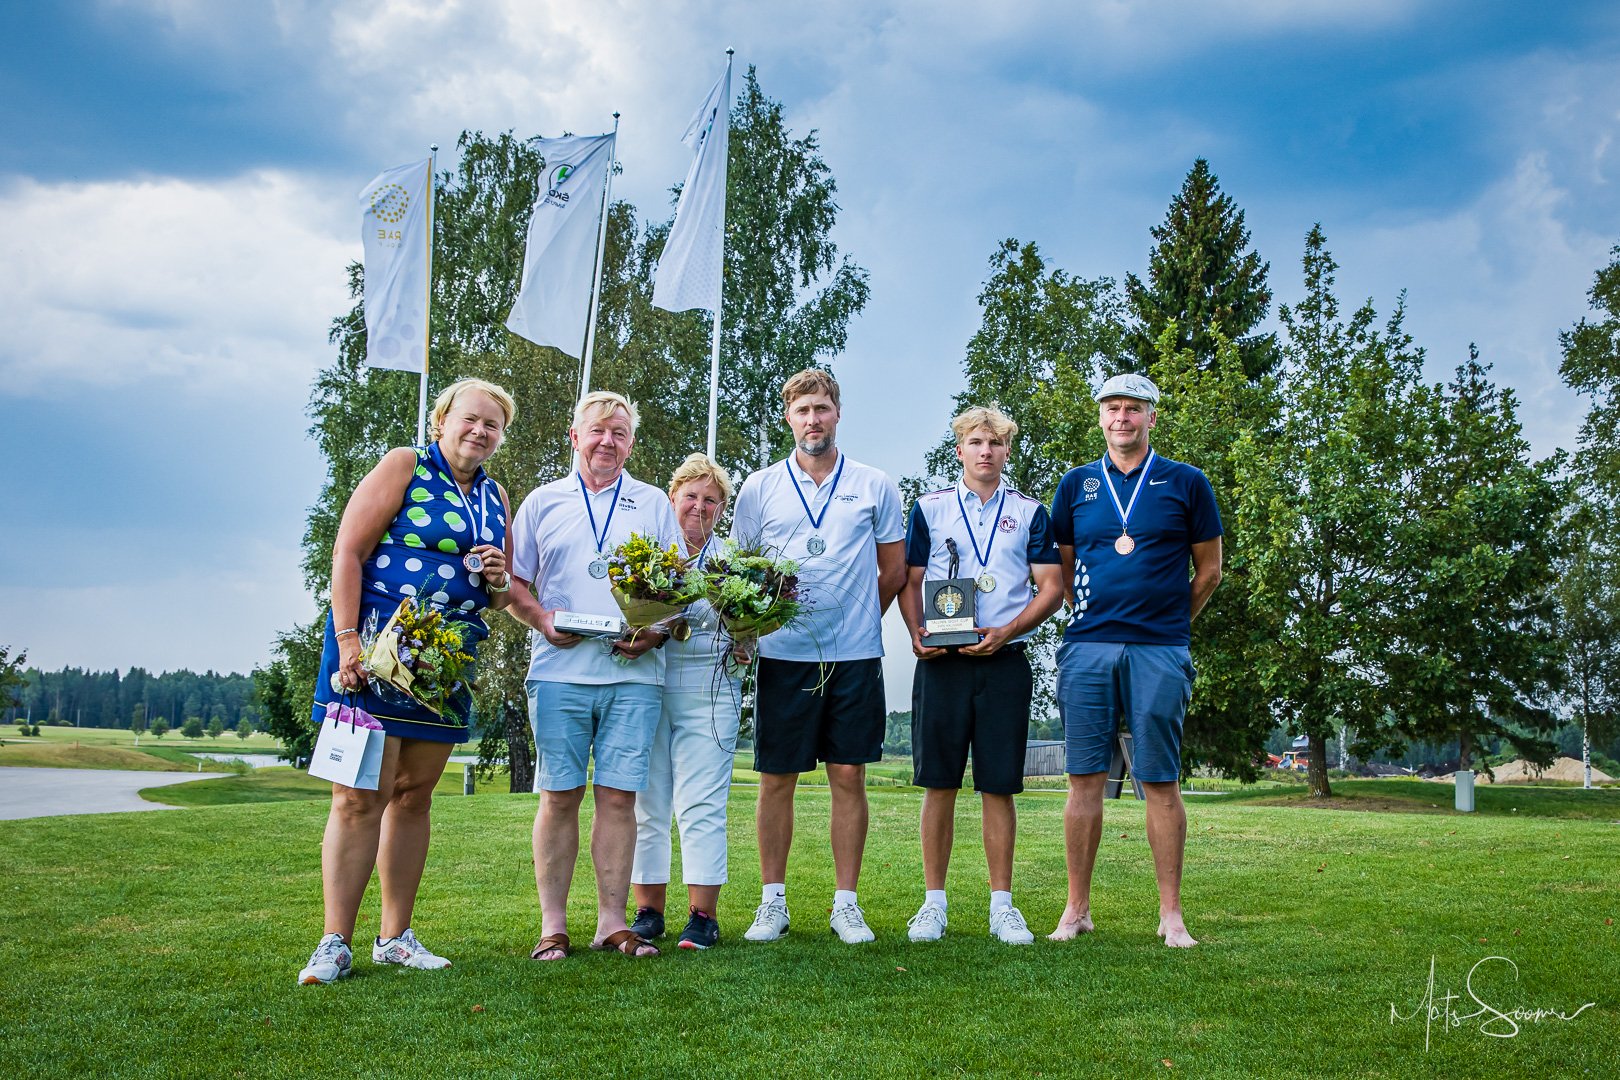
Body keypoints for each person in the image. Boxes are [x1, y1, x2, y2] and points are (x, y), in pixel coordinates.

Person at [299, 378, 518, 985]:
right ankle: (333, 942)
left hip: (444, 662)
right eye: (471, 419)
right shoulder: (405, 464)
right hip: (373, 652)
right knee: (357, 796)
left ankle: (395, 937)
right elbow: (347, 551)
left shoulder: (497, 495)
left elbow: (497, 599)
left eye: (493, 425)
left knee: (414, 796)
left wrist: (500, 579)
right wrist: (348, 643)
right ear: (441, 420)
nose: (481, 431)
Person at [729, 368, 906, 944]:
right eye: (803, 410)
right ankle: (772, 903)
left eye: (822, 409)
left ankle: (846, 904)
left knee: (848, 775)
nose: (813, 420)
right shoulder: (758, 487)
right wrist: (756, 627)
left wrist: (856, 621)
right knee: (776, 778)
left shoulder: (875, 483)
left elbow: (894, 570)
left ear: (838, 413)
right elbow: (743, 570)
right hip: (783, 655)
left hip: (855, 655)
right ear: (789, 417)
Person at [1046, 373, 1223, 948]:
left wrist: (1169, 624)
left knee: (1160, 781)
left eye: (1133, 408)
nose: (1122, 417)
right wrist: (1099, 618)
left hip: (1160, 648)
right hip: (1089, 647)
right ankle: (1076, 910)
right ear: (1100, 417)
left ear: (1152, 417)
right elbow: (1063, 569)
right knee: (1084, 781)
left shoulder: (1187, 483)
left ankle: (1171, 915)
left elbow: (1209, 571)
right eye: (1112, 408)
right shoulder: (1076, 485)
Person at [507, 390, 683, 961]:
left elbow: (680, 587)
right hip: (559, 671)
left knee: (618, 799)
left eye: (620, 433)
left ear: (631, 443)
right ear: (574, 436)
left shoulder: (654, 502)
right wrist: (540, 618)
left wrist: (656, 631)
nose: (608, 441)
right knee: (559, 796)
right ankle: (552, 927)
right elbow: (511, 582)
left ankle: (611, 923)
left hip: (635, 674)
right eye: (598, 431)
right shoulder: (542, 501)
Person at [899, 406, 1062, 945]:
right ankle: (933, 904)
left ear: (1007, 450)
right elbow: (911, 577)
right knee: (939, 783)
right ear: (959, 450)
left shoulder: (1031, 512)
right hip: (943, 662)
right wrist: (917, 632)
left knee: (998, 785)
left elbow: (1051, 588)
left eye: (994, 442)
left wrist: (1009, 631)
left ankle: (1002, 905)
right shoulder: (930, 508)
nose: (985, 451)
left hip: (1005, 661)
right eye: (975, 442)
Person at [628, 453, 746, 951]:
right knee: (647, 804)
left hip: (711, 686)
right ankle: (647, 911)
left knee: (701, 804)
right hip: (649, 681)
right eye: (691, 497)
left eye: (712, 500)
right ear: (672, 498)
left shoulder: (735, 560)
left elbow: (750, 627)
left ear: (723, 509)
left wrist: (748, 636)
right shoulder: (647, 556)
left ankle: (703, 916)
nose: (700, 507)